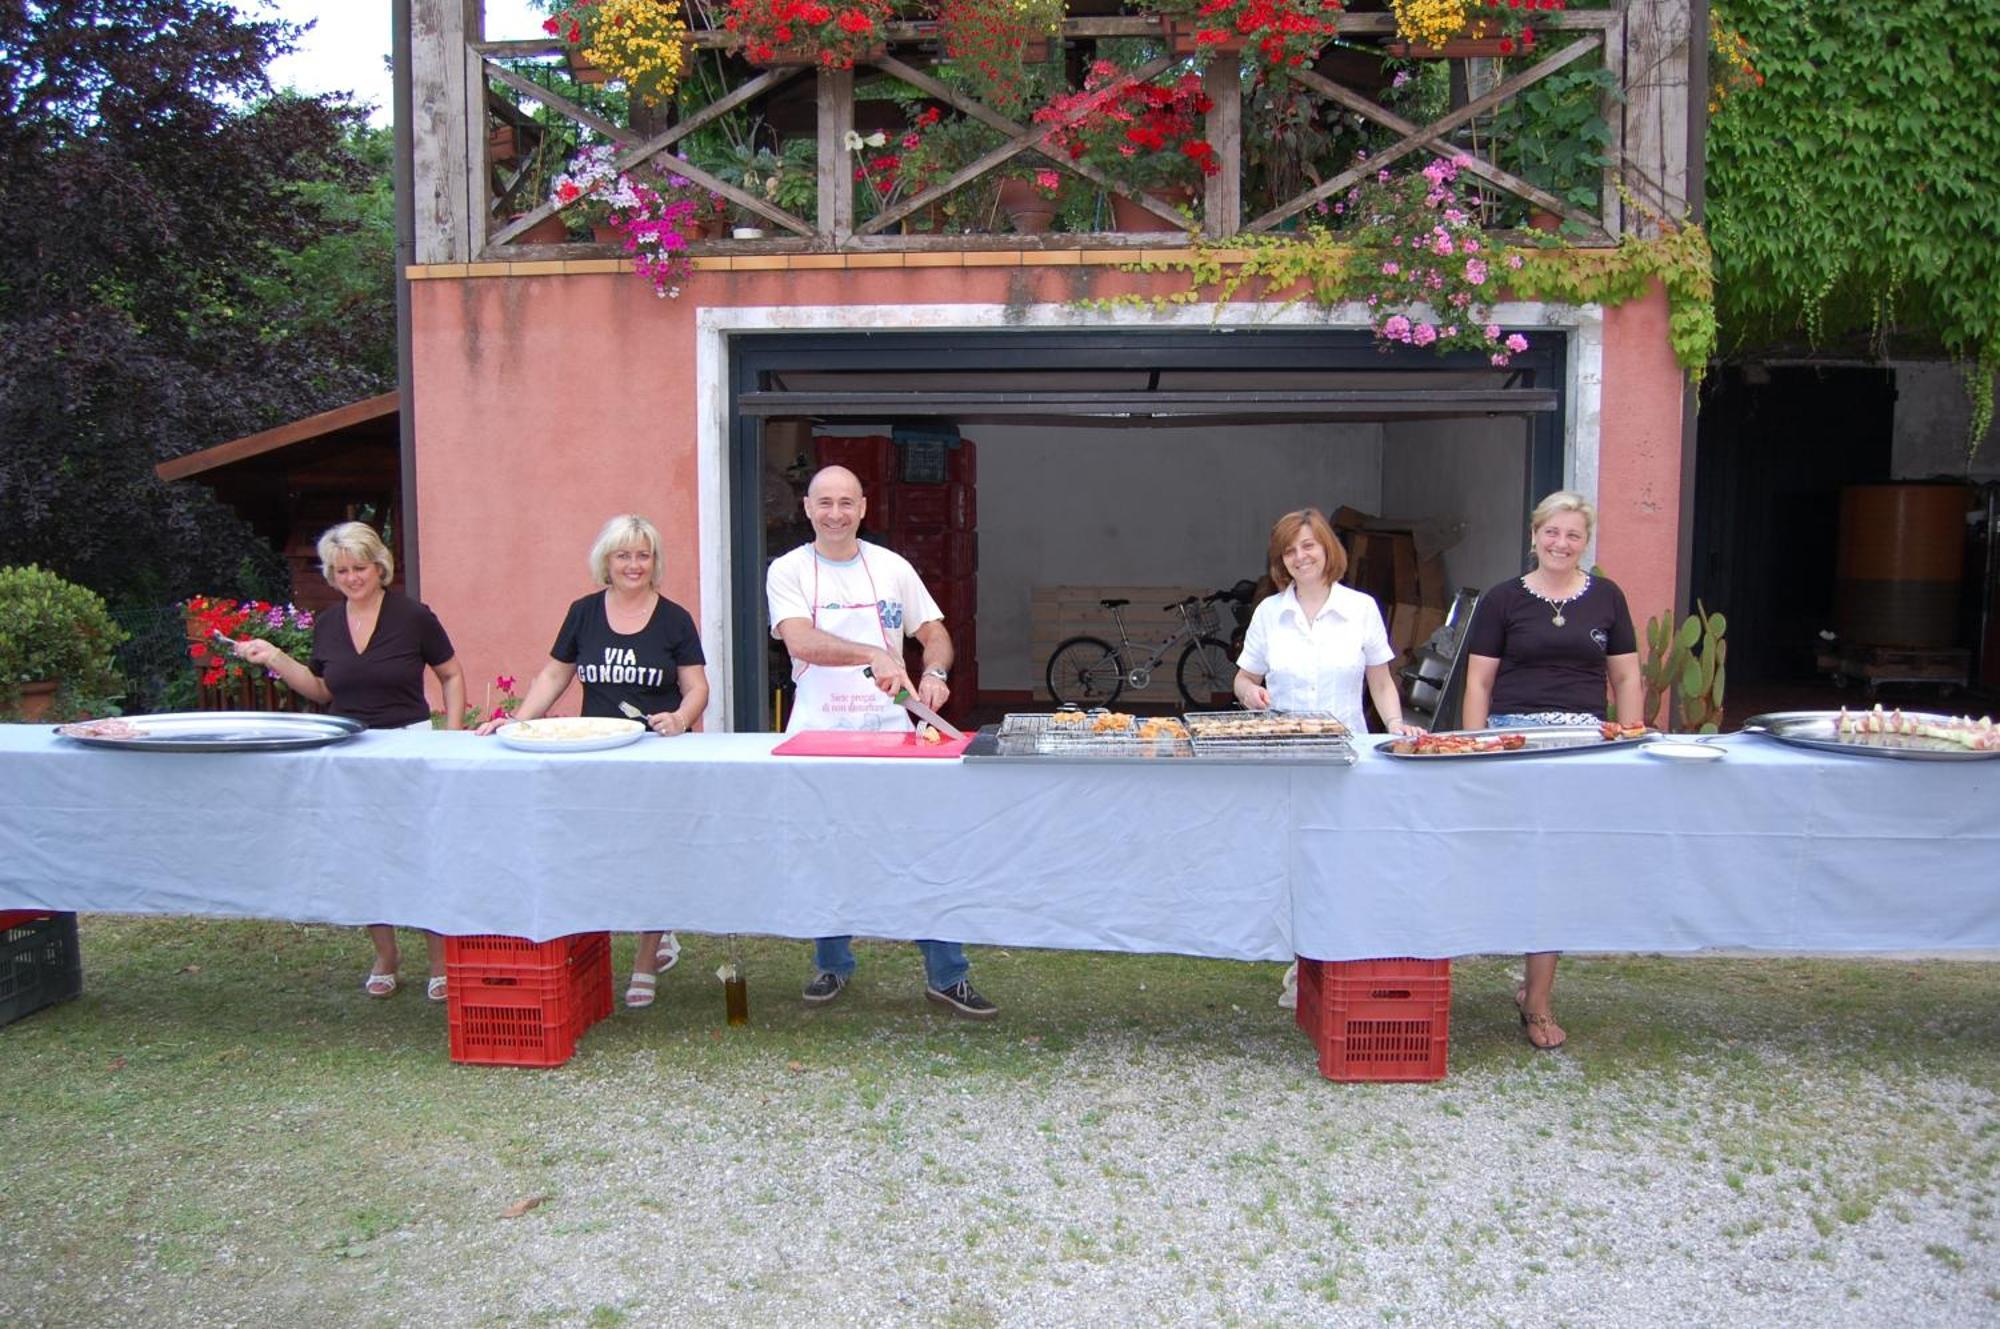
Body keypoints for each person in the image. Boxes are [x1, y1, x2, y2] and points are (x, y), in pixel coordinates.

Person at [765, 464, 998, 1020]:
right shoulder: (788, 569)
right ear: (807, 508)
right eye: (825, 502)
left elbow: (933, 633)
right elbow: (799, 639)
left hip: (895, 735)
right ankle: (832, 963)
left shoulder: (891, 567)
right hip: (818, 736)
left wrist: (936, 673)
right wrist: (872, 654)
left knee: (919, 852)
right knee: (828, 853)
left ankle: (948, 975)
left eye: (847, 502)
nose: (836, 513)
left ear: (865, 508)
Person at [475, 515, 708, 1011]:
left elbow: (697, 687)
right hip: (591, 758)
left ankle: (646, 958)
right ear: (606, 560)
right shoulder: (582, 613)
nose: (634, 565)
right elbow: (554, 676)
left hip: (652, 759)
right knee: (594, 859)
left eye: (643, 555)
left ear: (654, 562)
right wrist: (516, 722)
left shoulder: (674, 619)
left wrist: (683, 718)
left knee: (650, 859)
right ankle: (597, 952)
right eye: (624, 555)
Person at [231, 521, 466, 1000]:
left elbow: (451, 674)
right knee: (364, 857)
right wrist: (273, 655)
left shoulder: (413, 616)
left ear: (380, 567)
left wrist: (452, 739)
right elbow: (321, 690)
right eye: (341, 570)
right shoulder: (329, 624)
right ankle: (386, 954)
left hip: (409, 747)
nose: (352, 577)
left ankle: (441, 960)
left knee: (420, 855)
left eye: (360, 567)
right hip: (350, 752)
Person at [1459, 490, 1643, 1052]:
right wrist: (1477, 750)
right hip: (1513, 742)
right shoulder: (1501, 600)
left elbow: (1628, 680)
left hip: (1583, 747)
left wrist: (1628, 744)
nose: (1561, 544)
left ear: (1585, 541)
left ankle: (1536, 1000)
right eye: (1551, 533)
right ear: (1534, 535)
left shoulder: (1607, 598)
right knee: (1508, 864)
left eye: (1573, 535)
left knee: (1557, 872)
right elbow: (1478, 685)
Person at [1232, 507, 1422, 1010]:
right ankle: (1300, 968)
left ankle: (1340, 962)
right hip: (1287, 757)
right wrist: (1251, 695)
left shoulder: (1360, 608)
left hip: (1345, 760)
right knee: (1293, 866)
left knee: (1341, 863)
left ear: (1327, 550)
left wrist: (1396, 725)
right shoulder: (1269, 613)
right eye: (1290, 550)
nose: (1300, 557)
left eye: (1308, 546)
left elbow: (1380, 680)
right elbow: (1244, 678)